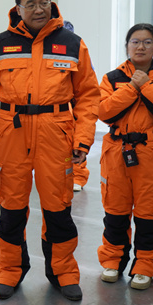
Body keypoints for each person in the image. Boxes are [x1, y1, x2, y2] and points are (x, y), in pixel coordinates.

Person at [0, 0, 100, 301]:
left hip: (55, 133)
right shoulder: (0, 44)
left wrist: (82, 140)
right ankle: (9, 269)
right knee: (11, 209)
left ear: (51, 3)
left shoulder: (72, 44)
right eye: (30, 4)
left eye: (43, 1)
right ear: (18, 9)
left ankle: (63, 271)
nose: (38, 8)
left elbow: (88, 96)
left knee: (58, 209)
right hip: (11, 133)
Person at [97, 24, 153, 290]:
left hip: (152, 153)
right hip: (116, 152)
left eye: (147, 42)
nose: (140, 47)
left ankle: (145, 266)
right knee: (115, 211)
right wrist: (131, 87)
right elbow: (104, 112)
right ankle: (112, 261)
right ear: (127, 45)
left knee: (149, 214)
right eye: (135, 41)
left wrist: (147, 85)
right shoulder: (112, 78)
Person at [64, 21, 90, 193]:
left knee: (77, 142)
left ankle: (78, 176)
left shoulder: (76, 52)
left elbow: (86, 84)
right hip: (59, 105)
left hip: (73, 104)